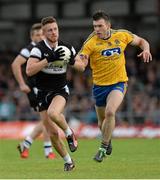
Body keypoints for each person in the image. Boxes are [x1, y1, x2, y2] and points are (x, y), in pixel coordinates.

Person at [73, 10, 152, 162]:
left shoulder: (121, 35)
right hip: (99, 87)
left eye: (100, 26)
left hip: (118, 83)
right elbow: (81, 62)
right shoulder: (90, 42)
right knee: (101, 123)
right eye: (95, 26)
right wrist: (76, 62)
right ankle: (107, 140)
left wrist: (146, 49)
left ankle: (102, 148)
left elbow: (142, 41)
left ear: (108, 25)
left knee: (110, 112)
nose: (97, 29)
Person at [26, 16, 78, 171]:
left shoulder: (67, 47)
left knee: (54, 113)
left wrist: (76, 61)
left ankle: (70, 134)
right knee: (52, 133)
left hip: (60, 90)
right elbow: (29, 70)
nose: (54, 32)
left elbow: (81, 66)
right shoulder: (38, 49)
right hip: (42, 94)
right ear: (44, 32)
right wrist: (48, 59)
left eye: (55, 29)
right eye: (50, 30)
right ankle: (69, 161)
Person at [11, 23, 56, 159]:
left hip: (45, 87)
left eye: (41, 34)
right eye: (37, 35)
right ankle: (47, 151)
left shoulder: (44, 47)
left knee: (47, 119)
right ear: (32, 36)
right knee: (48, 119)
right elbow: (15, 64)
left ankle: (26, 144)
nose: (40, 37)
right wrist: (21, 84)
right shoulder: (29, 49)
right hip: (36, 89)